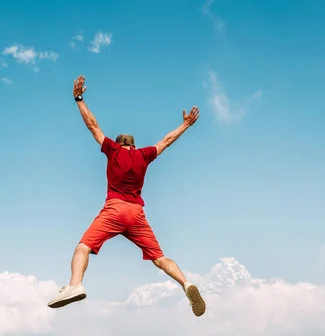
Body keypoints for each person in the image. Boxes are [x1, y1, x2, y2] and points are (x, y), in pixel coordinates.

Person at [47, 75, 206, 317]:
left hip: (115, 209)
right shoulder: (144, 155)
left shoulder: (113, 150)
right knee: (160, 258)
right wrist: (185, 125)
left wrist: (79, 99)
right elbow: (167, 140)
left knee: (83, 247)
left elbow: (92, 125)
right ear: (133, 145)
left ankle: (74, 285)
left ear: (120, 145)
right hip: (137, 214)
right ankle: (187, 284)